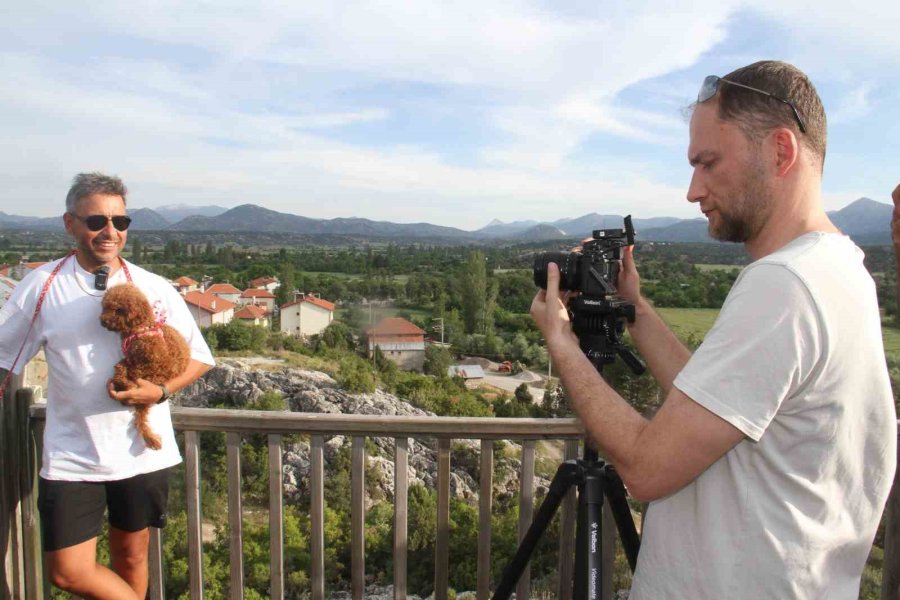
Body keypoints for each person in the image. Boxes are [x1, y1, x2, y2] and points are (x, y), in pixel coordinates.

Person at [531, 61, 896, 598]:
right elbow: (712, 399)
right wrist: (637, 309)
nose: (691, 189)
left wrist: (561, 343)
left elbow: (647, 468)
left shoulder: (785, 284)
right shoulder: (839, 269)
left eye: (707, 162)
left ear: (780, 151)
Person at [0, 173, 214, 599]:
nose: (110, 231)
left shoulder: (151, 286)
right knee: (67, 571)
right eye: (97, 220)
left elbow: (200, 358)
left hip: (140, 452)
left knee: (132, 558)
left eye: (121, 221)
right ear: (70, 224)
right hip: (71, 455)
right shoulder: (42, 287)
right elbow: (4, 360)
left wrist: (161, 391)